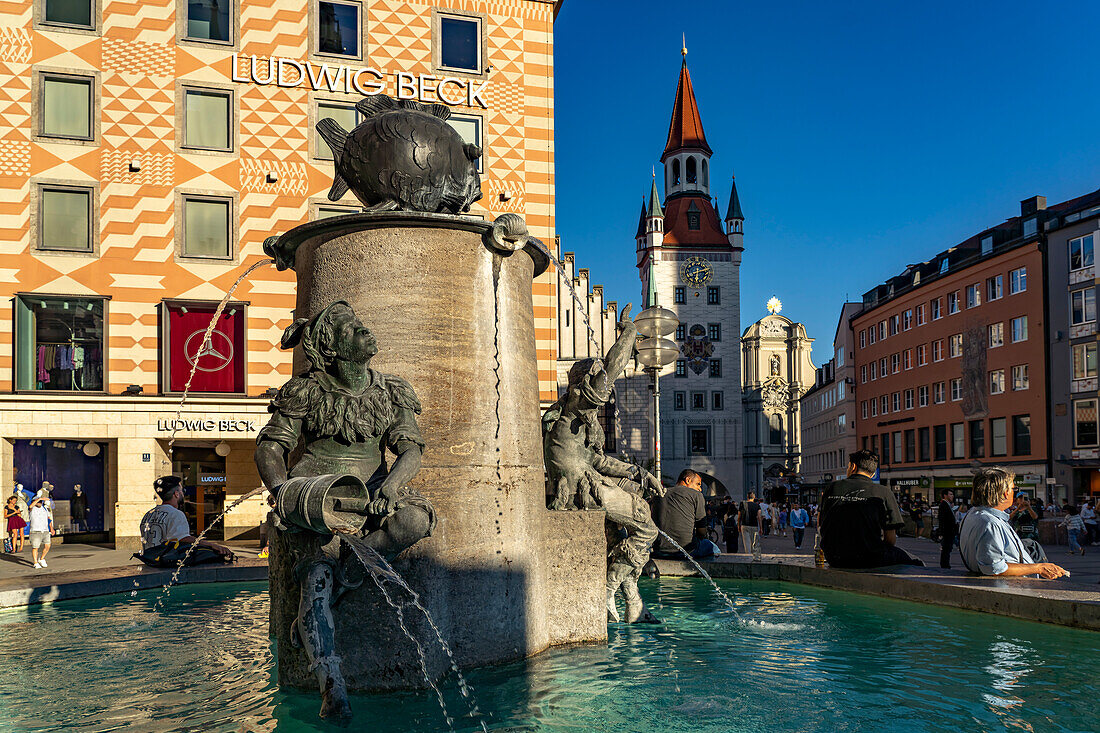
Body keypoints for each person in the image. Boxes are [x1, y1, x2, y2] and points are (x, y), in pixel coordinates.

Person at [818, 449, 922, 569]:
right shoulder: (883, 492)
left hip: (833, 557)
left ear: (852, 467)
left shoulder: (831, 488)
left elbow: (821, 524)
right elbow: (891, 539)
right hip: (869, 557)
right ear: (872, 474)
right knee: (916, 562)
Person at [959, 468, 1068, 578]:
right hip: (1010, 587)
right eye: (1013, 489)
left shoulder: (972, 514)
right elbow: (995, 568)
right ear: (1005, 493)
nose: (1014, 493)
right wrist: (1038, 568)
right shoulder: (990, 523)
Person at [140, 476, 231, 556]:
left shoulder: (149, 514)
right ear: (176, 494)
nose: (183, 494)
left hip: (150, 561)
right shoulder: (176, 514)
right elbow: (184, 539)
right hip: (165, 564)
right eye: (182, 490)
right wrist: (212, 545)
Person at [652, 470, 719, 559]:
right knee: (713, 547)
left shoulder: (659, 494)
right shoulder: (696, 495)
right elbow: (701, 530)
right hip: (687, 551)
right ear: (688, 480)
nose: (700, 489)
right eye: (698, 484)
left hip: (659, 550)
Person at [27, 492, 53, 569]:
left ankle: (41, 559)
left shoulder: (44, 508)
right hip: (35, 531)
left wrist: (51, 528)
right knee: (35, 547)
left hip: (45, 530)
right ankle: (35, 562)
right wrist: (40, 498)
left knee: (48, 545)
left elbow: (49, 519)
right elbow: (30, 506)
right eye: (38, 501)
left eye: (41, 502)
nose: (40, 503)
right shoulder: (32, 509)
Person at [739, 492, 763, 561]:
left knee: (747, 543)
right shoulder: (757, 506)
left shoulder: (743, 504)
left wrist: (738, 525)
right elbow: (759, 517)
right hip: (754, 526)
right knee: (754, 542)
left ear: (747, 497)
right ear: (754, 497)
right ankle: (755, 557)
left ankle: (748, 557)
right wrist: (761, 528)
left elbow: (739, 516)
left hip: (744, 525)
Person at [937, 490, 958, 569]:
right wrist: (941, 532)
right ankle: (945, 565)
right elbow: (942, 519)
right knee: (946, 549)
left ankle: (945, 564)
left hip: (949, 531)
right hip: (947, 532)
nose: (952, 496)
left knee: (948, 549)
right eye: (950, 494)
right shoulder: (943, 504)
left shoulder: (947, 505)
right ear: (945, 495)